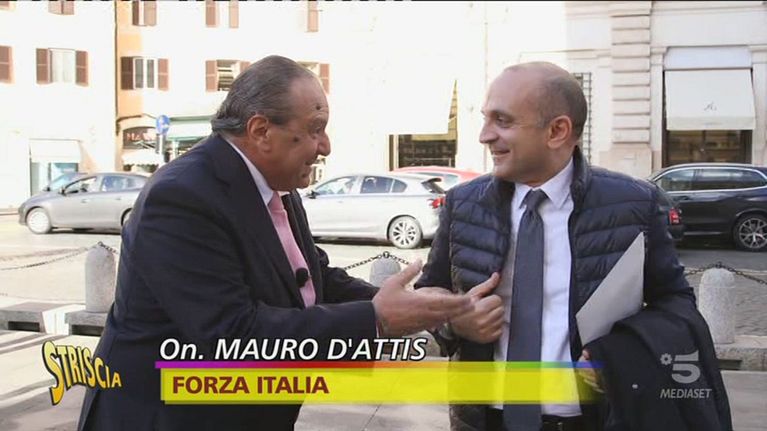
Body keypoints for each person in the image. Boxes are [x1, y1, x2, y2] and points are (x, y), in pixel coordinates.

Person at [78, 55, 471, 431]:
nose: (325, 146)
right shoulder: (181, 196)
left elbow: (312, 277)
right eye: (315, 129)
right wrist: (377, 319)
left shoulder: (277, 184)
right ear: (261, 131)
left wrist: (419, 308)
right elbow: (233, 335)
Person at [416, 62, 731, 431]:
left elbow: (676, 304)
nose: (485, 136)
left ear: (557, 131)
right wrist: (455, 323)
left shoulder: (634, 205)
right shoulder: (463, 203)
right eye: (485, 119)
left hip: (593, 421)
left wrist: (618, 355)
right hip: (484, 421)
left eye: (502, 121)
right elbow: (428, 294)